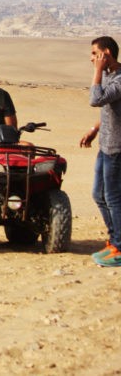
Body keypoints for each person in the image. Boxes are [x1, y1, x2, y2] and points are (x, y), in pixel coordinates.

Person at [79, 36, 121, 268]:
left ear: (106, 54)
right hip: (105, 145)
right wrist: (95, 129)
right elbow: (107, 110)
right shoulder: (109, 75)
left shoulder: (120, 80)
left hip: (117, 148)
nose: (91, 58)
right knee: (99, 195)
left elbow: (96, 99)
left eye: (95, 54)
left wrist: (97, 71)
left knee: (114, 198)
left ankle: (119, 245)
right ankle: (115, 240)